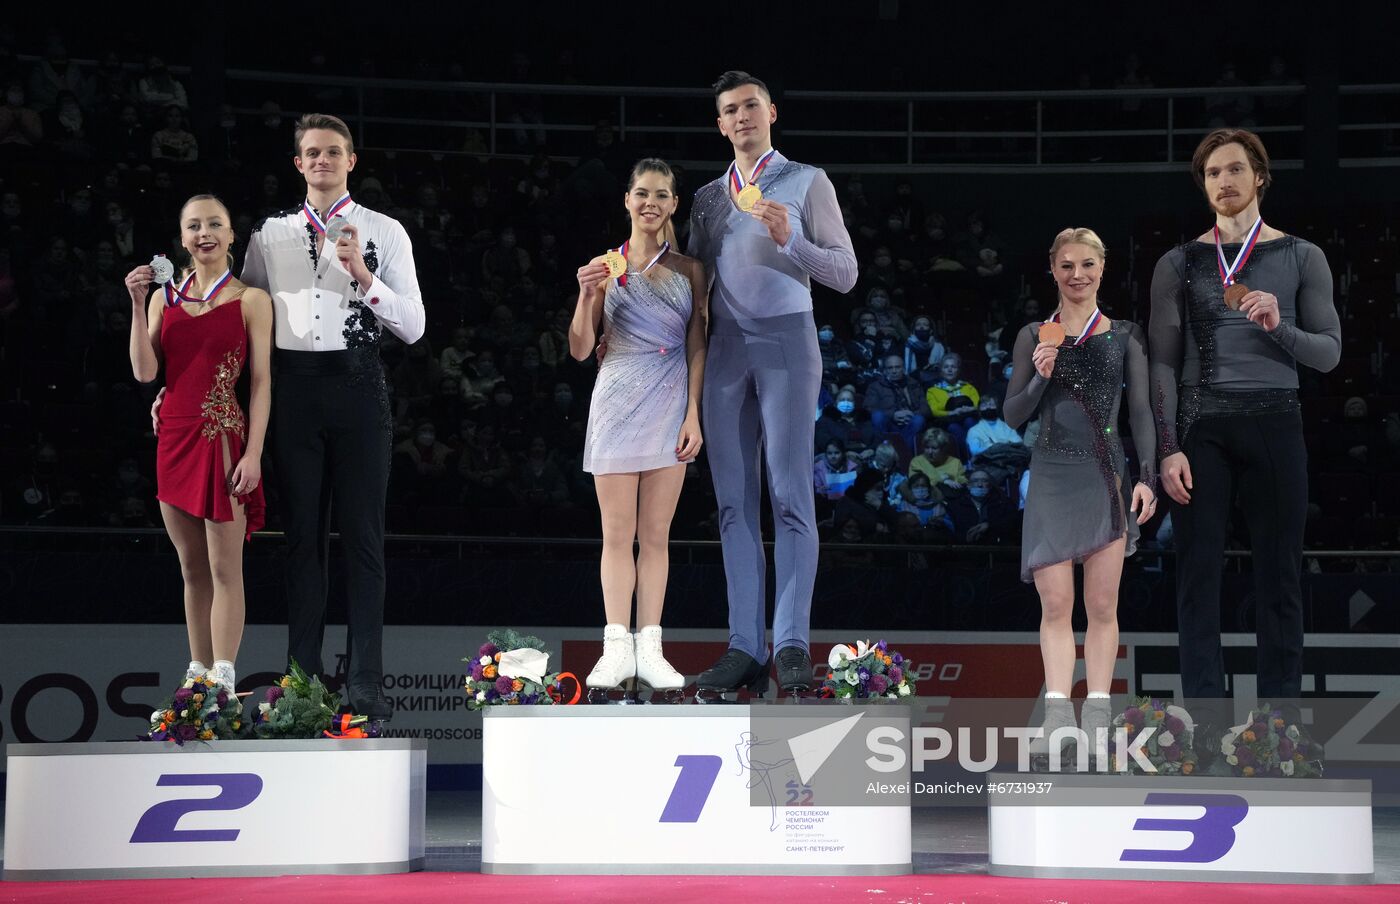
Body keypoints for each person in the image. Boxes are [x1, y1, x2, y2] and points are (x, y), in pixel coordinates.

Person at [154, 114, 425, 721]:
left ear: (352, 160)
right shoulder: (268, 234)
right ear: (297, 163)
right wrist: (178, 388)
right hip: (293, 392)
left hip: (359, 385)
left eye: (334, 152)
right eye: (312, 153)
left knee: (364, 541)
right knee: (302, 541)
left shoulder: (386, 231)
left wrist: (363, 275)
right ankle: (303, 680)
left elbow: (414, 325)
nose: (323, 161)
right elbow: (230, 318)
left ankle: (366, 685)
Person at [1150, 129, 1340, 739]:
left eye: (1234, 170)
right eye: (1211, 173)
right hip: (1202, 429)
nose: (1223, 182)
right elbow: (1161, 362)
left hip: (1276, 422)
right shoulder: (1178, 263)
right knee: (1197, 579)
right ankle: (1205, 730)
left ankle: (1278, 732)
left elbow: (1330, 354)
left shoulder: (1303, 256)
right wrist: (1167, 446)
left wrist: (1279, 327)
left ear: (1260, 176)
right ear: (1203, 185)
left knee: (1280, 578)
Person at [687, 71, 857, 697]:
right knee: (733, 506)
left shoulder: (808, 181)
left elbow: (845, 273)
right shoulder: (706, 198)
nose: (741, 117)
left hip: (788, 343)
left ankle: (789, 643)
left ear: (772, 113)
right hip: (727, 351)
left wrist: (795, 240)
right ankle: (742, 646)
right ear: (721, 124)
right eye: (729, 110)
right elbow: (696, 294)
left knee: (790, 496)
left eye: (751, 106)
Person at [1004, 227, 1159, 767]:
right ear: (1052, 269)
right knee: (1055, 603)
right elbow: (1012, 415)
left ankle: (1096, 709)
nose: (1077, 275)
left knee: (1101, 604)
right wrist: (1040, 378)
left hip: (1105, 475)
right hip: (1050, 474)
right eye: (1067, 265)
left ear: (1102, 267)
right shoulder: (1034, 334)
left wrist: (1147, 475)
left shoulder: (1127, 335)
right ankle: (1056, 712)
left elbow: (1140, 411)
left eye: (1087, 264)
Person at [570, 157, 707, 702]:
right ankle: (614, 646)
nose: (651, 202)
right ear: (627, 200)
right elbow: (582, 348)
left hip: (670, 401)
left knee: (655, 536)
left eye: (662, 195)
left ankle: (650, 648)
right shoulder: (603, 267)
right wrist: (586, 296)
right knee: (614, 534)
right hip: (616, 400)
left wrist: (694, 412)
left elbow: (699, 345)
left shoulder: (693, 270)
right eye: (642, 193)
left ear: (673, 205)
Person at [127, 194, 272, 693]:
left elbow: (259, 383)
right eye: (194, 225)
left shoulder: (251, 300)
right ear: (183, 237)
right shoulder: (162, 298)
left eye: (215, 224)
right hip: (173, 437)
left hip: (221, 437)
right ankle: (197, 675)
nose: (204, 232)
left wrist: (253, 452)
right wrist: (134, 302)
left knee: (223, 566)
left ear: (233, 236)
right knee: (191, 567)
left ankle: (225, 681)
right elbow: (147, 373)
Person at [864, 354, 928, 450]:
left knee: (919, 420)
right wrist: (893, 415)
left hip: (909, 423)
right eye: (890, 368)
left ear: (903, 368)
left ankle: (902, 453)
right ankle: (885, 451)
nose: (894, 371)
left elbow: (926, 408)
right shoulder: (875, 386)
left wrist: (911, 414)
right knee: (877, 416)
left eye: (897, 367)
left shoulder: (914, 384)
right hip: (889, 424)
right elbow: (868, 408)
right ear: (885, 370)